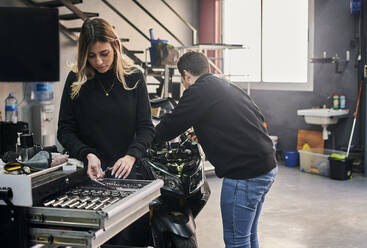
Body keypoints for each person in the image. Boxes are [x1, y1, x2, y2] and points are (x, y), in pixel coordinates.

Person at [155, 51, 277, 248]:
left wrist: (145, 137)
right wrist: (203, 133)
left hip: (244, 174)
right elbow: (250, 118)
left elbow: (170, 126)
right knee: (248, 235)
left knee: (236, 241)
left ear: (186, 74)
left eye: (183, 79)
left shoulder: (198, 90)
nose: (184, 83)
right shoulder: (224, 85)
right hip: (266, 166)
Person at [57, 18, 154, 246]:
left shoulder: (134, 77)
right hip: (89, 174)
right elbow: (65, 129)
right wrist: (87, 154)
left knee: (128, 239)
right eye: (91, 56)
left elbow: (146, 128)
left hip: (127, 174)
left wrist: (131, 155)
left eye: (104, 53)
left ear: (116, 47)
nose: (99, 61)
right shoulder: (76, 79)